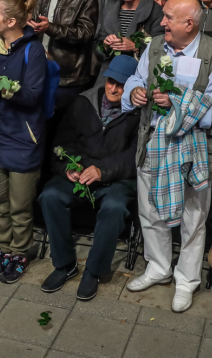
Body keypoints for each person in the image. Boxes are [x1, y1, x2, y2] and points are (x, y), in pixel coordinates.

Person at [122, 0, 212, 313]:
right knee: (149, 209)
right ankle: (158, 267)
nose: (161, 22)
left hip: (194, 146)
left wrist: (180, 102)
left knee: (193, 218)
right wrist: (135, 91)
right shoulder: (156, 46)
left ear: (190, 23)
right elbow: (134, 77)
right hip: (154, 139)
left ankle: (186, 279)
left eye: (169, 17)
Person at [40, 54, 142, 300]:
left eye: (121, 84)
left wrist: (102, 171)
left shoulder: (139, 113)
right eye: (110, 82)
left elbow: (134, 156)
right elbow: (62, 140)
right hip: (80, 171)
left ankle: (94, 271)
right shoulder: (84, 102)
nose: (114, 88)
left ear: (131, 86)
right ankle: (65, 264)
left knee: (115, 207)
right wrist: (68, 167)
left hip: (116, 178)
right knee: (50, 195)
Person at [0, 0, 48, 284]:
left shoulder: (34, 51)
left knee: (20, 206)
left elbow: (32, 97)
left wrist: (2, 87)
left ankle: (20, 252)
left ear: (11, 20)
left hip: (22, 140)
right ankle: (4, 249)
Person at [30, 0, 99, 119]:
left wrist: (50, 28)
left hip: (67, 79)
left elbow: (85, 33)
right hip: (38, 72)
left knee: (61, 133)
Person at [96, 0, 163, 75]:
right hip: (109, 73)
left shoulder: (155, 10)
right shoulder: (110, 6)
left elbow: (161, 49)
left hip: (139, 74)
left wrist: (135, 47)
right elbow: (98, 44)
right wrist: (106, 45)